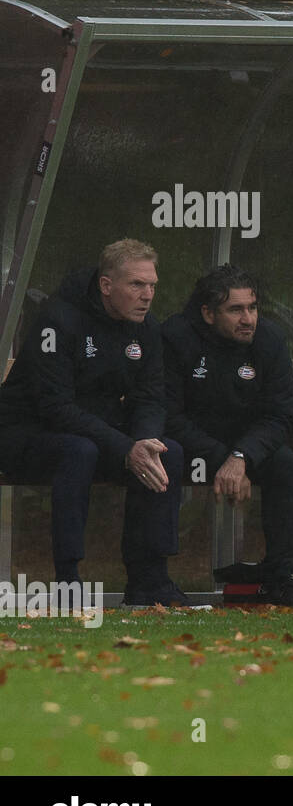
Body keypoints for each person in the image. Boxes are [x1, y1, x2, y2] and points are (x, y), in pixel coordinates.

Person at [0, 239, 186, 604]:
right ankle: (68, 580)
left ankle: (149, 581)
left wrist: (145, 442)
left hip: (92, 435)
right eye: (136, 285)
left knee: (169, 452)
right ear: (106, 285)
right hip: (23, 434)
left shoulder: (146, 328)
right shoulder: (59, 319)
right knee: (79, 451)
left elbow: (150, 396)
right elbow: (56, 408)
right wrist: (124, 446)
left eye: (152, 285)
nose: (147, 295)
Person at [161, 264, 293, 607]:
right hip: (192, 444)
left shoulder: (271, 340)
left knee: (284, 461)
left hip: (248, 447)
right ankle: (155, 578)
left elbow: (279, 415)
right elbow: (169, 416)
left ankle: (279, 577)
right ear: (208, 313)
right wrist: (224, 459)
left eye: (253, 307)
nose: (248, 319)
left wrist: (241, 456)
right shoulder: (175, 337)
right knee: (162, 454)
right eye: (235, 310)